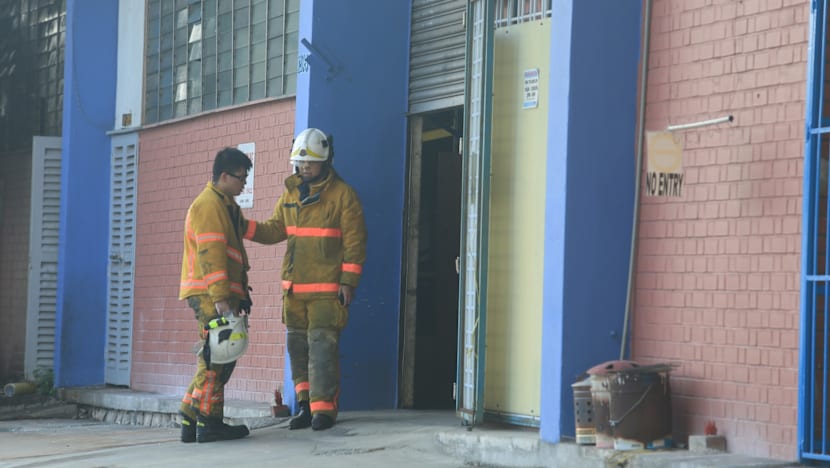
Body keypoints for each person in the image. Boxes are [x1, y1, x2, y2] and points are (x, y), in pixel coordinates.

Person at [263, 127, 367, 431]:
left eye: (310, 163)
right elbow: (274, 229)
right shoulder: (290, 193)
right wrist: (243, 227)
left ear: (326, 161)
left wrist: (348, 282)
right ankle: (305, 406)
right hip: (294, 291)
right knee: (298, 349)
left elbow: (355, 242)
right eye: (300, 163)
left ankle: (325, 411)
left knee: (322, 349)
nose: (304, 167)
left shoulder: (343, 196)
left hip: (326, 291)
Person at [177, 147, 258, 443]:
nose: (243, 184)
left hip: (214, 294)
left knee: (215, 356)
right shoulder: (209, 206)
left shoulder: (226, 207)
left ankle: (189, 414)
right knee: (219, 358)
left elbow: (256, 231)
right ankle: (209, 423)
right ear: (224, 176)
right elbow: (211, 255)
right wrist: (223, 300)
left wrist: (290, 226)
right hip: (211, 295)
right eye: (240, 178)